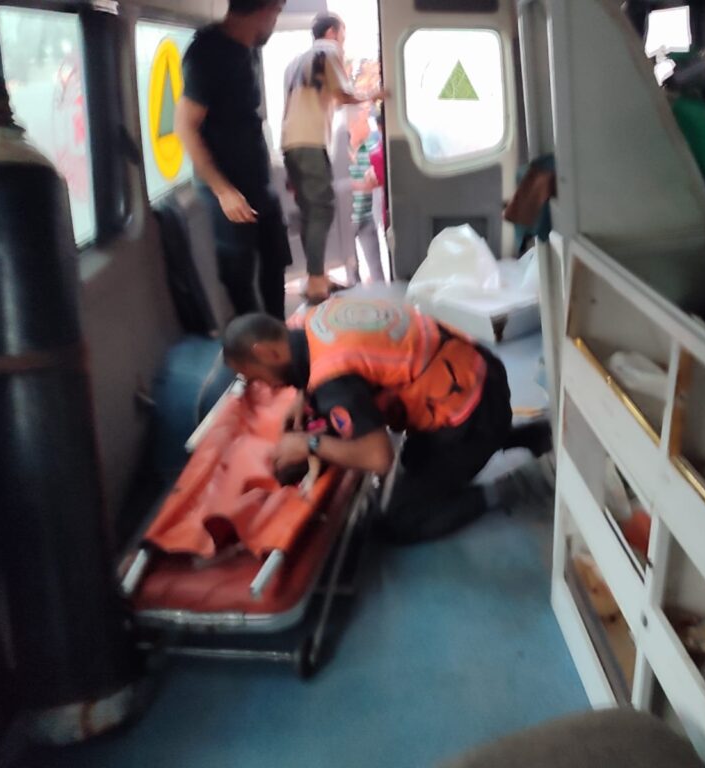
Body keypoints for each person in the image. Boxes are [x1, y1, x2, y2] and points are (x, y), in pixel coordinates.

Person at [221, 298, 552, 543]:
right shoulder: (317, 316)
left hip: (471, 411)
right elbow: (342, 358)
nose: (268, 386)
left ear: (266, 353)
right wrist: (303, 395)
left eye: (258, 377)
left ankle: (518, 486)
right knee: (414, 463)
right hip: (478, 371)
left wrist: (308, 444)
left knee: (397, 517)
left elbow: (379, 457)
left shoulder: (332, 381)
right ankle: (523, 435)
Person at [175, 0, 291, 320]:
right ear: (264, 9)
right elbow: (184, 126)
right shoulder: (208, 53)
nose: (275, 22)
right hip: (228, 188)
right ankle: (253, 342)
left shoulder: (247, 49)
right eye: (277, 13)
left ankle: (277, 333)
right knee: (239, 277)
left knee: (275, 261)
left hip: (258, 182)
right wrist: (224, 191)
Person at [280, 13, 386, 303]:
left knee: (309, 210)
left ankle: (317, 276)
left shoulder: (294, 63)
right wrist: (376, 93)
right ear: (331, 32)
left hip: (291, 143)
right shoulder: (328, 51)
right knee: (322, 209)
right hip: (310, 142)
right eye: (343, 35)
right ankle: (316, 281)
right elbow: (343, 95)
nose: (343, 42)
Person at [345, 104, 384, 283]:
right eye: (364, 122)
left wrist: (374, 180)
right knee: (352, 274)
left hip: (366, 216)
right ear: (351, 125)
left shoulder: (371, 146)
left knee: (377, 271)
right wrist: (361, 185)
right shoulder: (338, 151)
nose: (369, 126)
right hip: (346, 221)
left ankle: (382, 296)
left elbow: (379, 174)